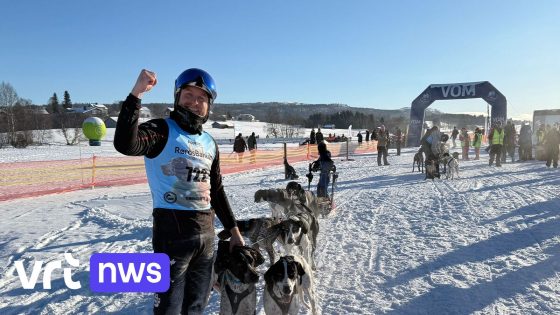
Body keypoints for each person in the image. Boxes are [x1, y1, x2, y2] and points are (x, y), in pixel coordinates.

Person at [113, 68, 244, 314]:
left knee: (196, 307)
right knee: (168, 309)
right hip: (171, 236)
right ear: (177, 97)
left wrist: (233, 230)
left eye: (201, 98)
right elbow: (126, 144)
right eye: (188, 95)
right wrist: (136, 95)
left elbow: (216, 189)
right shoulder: (161, 130)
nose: (194, 102)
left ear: (209, 105)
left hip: (205, 237)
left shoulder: (209, 143)